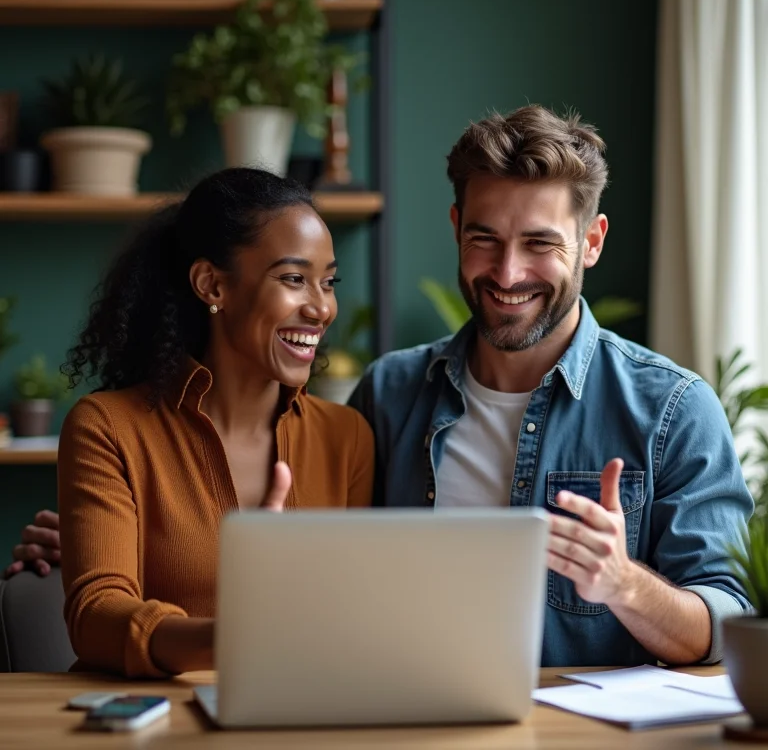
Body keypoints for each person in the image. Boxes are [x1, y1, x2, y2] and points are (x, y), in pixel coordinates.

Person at [348, 105, 754, 667]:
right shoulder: (388, 394)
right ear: (456, 228)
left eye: (541, 244)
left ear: (591, 241)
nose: (508, 272)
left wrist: (623, 585)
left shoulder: (675, 409)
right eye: (484, 238)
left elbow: (726, 623)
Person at [50, 167, 373, 678]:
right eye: (293, 279)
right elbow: (95, 616)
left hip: (303, 713)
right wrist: (233, 638)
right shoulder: (108, 428)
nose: (321, 307)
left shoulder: (347, 437)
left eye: (328, 282)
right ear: (211, 284)